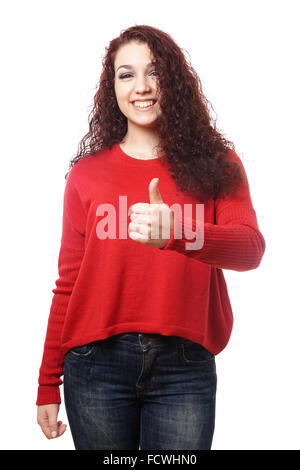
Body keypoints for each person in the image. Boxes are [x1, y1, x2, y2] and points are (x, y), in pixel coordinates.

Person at [36, 24, 266, 450]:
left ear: (173, 80)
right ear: (113, 86)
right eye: (126, 74)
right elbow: (67, 285)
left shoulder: (219, 164)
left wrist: (179, 232)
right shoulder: (87, 174)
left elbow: (250, 249)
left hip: (185, 365)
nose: (141, 86)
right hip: (94, 365)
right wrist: (47, 381)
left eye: (154, 72)